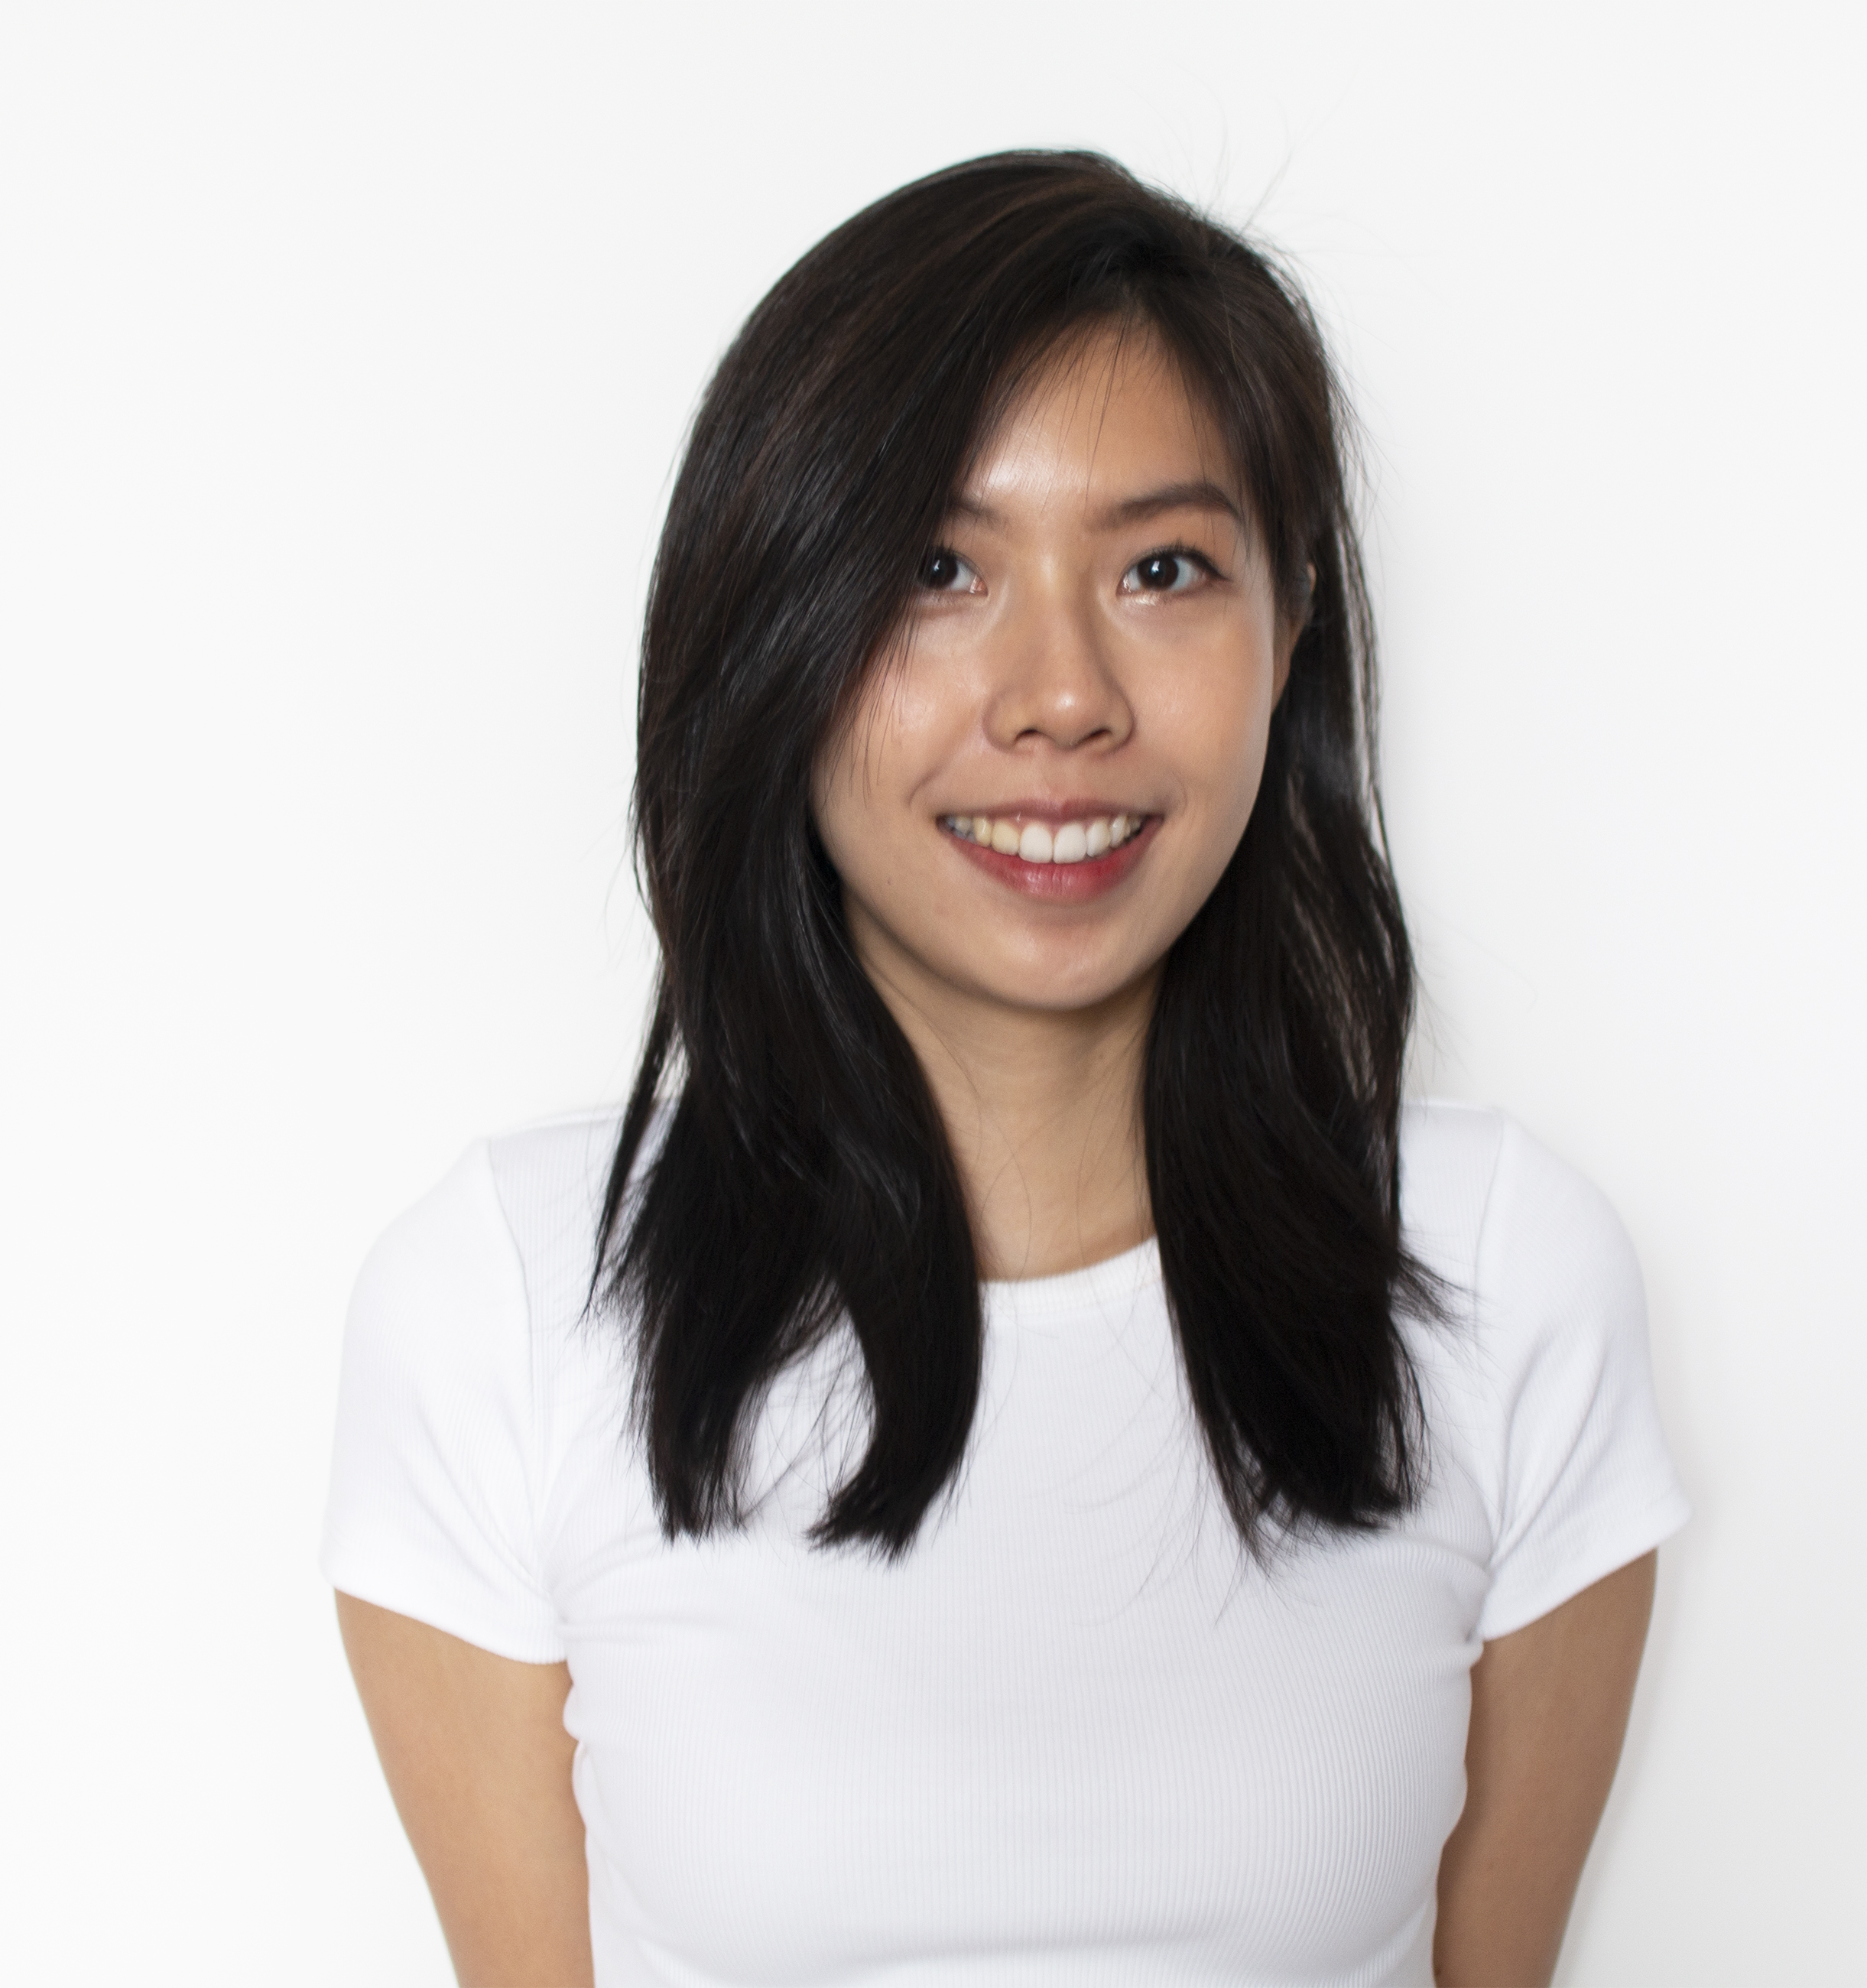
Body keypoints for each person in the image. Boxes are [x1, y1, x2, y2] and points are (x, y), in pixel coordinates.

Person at [323, 151, 1687, 1988]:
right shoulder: (505, 1301)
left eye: (1162, 568)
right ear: (773, 626)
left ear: (1289, 633)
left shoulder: (1505, 1272)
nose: (1061, 696)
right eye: (937, 567)